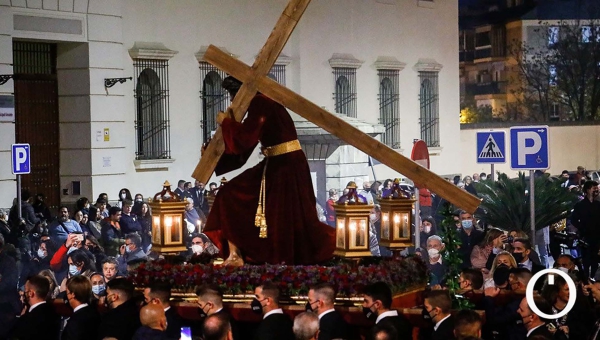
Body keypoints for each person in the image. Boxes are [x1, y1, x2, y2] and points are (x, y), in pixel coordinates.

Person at [203, 76, 335, 266]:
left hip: (283, 166)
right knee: (251, 202)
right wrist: (214, 153)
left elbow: (244, 139)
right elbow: (245, 147)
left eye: (232, 96)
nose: (232, 102)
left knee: (229, 194)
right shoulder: (262, 103)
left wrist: (225, 122)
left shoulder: (260, 102)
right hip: (279, 163)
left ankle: (238, 255)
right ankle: (236, 254)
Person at [10, 275, 61, 340]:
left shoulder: (29, 319)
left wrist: (22, 319)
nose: (23, 293)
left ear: (31, 293)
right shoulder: (54, 313)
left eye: (25, 290)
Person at [62, 275, 101, 340]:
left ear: (72, 294)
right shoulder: (96, 314)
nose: (67, 296)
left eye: (67, 293)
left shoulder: (75, 322)